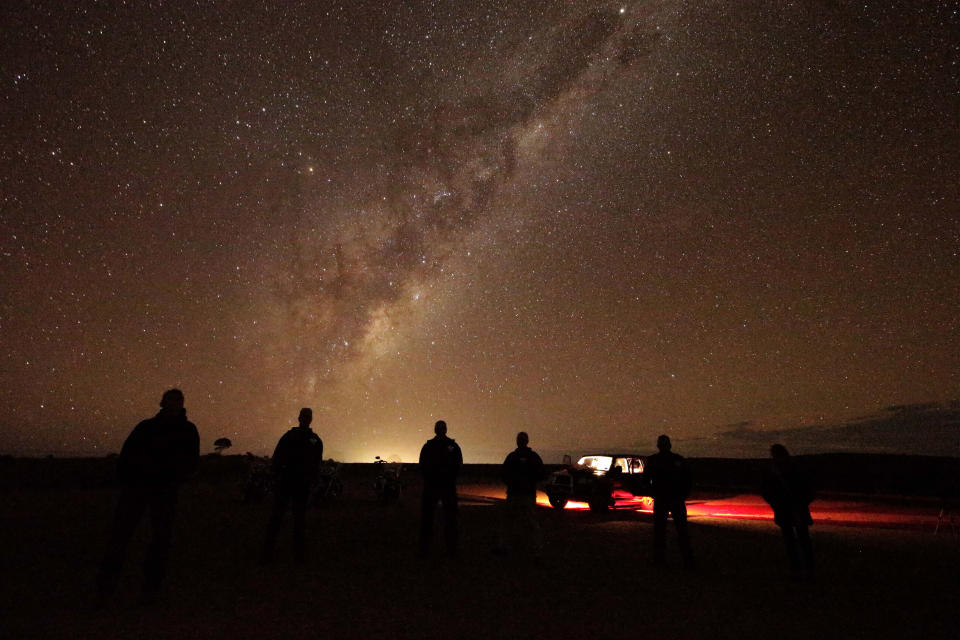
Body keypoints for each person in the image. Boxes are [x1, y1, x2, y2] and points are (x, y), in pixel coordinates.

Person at [96, 388, 200, 603]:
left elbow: (191, 461)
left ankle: (150, 589)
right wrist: (129, 478)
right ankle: (105, 587)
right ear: (163, 403)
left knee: (159, 540)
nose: (173, 404)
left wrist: (174, 479)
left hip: (164, 491)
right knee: (121, 537)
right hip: (137, 488)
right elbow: (127, 455)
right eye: (170, 400)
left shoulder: (186, 430)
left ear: (181, 404)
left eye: (176, 401)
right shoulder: (147, 427)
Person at [262, 408, 323, 562]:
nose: (305, 419)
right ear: (301, 418)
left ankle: (292, 553)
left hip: (297, 483)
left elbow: (316, 463)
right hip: (289, 482)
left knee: (294, 519)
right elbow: (278, 457)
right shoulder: (300, 438)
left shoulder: (309, 439)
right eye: (304, 416)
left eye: (307, 416)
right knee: (283, 517)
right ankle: (276, 552)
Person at [761, 444, 815, 579]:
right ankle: (808, 569)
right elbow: (809, 488)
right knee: (802, 540)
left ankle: (797, 569)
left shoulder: (775, 471)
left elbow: (766, 491)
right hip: (795, 509)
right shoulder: (795, 468)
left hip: (786, 510)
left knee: (791, 541)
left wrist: (775, 503)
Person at [644, 434, 694, 568]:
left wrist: (653, 493)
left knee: (661, 531)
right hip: (673, 498)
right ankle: (687, 560)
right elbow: (688, 479)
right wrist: (683, 494)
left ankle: (660, 561)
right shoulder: (677, 460)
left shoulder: (654, 460)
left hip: (665, 499)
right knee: (680, 530)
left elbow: (645, 480)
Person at [496, 432, 545, 560]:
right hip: (527, 494)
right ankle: (536, 551)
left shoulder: (512, 457)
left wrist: (512, 483)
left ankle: (504, 547)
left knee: (509, 522)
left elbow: (503, 474)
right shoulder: (533, 457)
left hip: (514, 494)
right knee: (531, 523)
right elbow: (541, 474)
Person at [418, 420, 462, 557]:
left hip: (439, 486)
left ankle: (433, 548)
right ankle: (446, 548)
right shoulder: (450, 446)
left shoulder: (436, 446)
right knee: (438, 518)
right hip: (440, 486)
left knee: (442, 519)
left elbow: (457, 464)